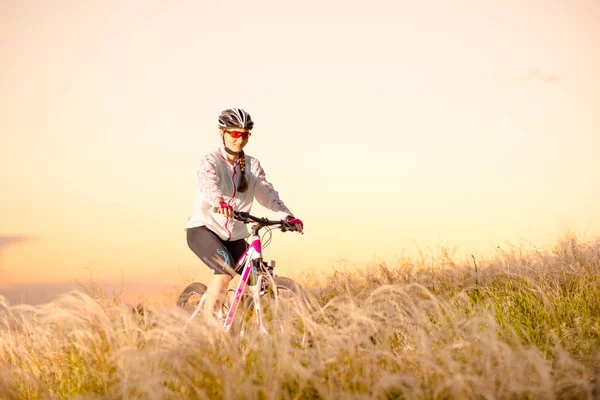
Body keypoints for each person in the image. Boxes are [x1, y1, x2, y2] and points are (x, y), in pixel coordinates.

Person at [184, 108, 303, 323]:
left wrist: (287, 216)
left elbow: (266, 192)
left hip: (235, 235)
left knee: (261, 277)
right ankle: (210, 332)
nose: (240, 139)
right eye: (235, 134)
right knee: (225, 269)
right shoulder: (210, 160)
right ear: (223, 133)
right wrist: (219, 201)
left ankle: (240, 325)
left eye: (245, 134)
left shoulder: (252, 165)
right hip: (204, 229)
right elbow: (207, 182)